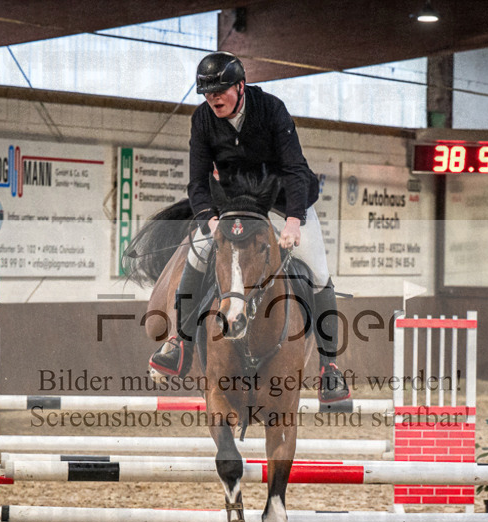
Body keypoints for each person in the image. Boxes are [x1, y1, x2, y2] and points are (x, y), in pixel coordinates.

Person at [149, 51, 350, 404]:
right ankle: (179, 342)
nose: (213, 99)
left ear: (240, 87)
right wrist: (209, 219)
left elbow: (295, 169)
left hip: (283, 204)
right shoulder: (202, 120)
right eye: (208, 94)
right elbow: (197, 183)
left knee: (318, 272)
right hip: (232, 207)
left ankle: (329, 368)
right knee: (196, 256)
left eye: (220, 91)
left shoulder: (271, 109)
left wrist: (293, 221)